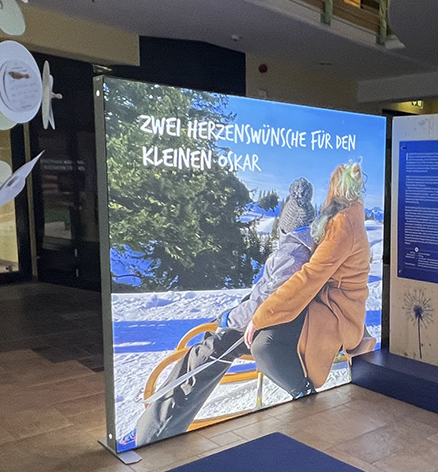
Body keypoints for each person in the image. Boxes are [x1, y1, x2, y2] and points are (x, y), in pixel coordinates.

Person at [134, 178, 318, 445]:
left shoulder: (292, 255)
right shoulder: (298, 249)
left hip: (272, 326)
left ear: (286, 225)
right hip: (275, 321)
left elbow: (266, 303)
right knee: (206, 347)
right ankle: (154, 423)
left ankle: (153, 434)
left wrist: (228, 319)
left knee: (206, 353)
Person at [246, 162, 373, 398]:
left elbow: (311, 276)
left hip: (336, 313)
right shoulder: (351, 217)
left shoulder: (343, 223)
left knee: (265, 346)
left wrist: (261, 315)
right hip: (340, 308)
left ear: (334, 189)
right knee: (270, 336)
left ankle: (304, 395)